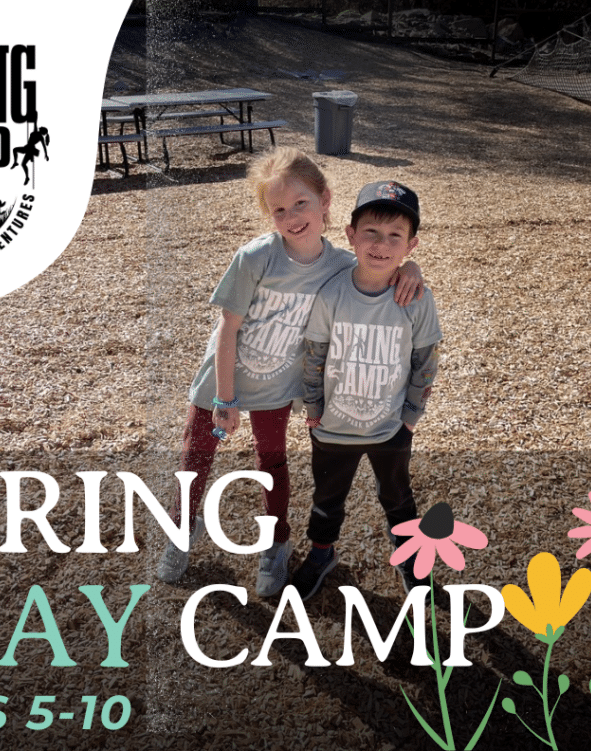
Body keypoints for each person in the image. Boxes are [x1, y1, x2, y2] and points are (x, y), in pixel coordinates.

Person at [157, 149, 424, 597]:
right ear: (270, 216)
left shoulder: (342, 265)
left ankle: (276, 545)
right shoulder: (257, 256)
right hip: (221, 382)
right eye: (279, 209)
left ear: (325, 200)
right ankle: (181, 531)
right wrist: (224, 398)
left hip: (277, 388)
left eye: (301, 203)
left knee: (272, 463)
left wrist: (411, 267)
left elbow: (383, 267)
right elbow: (228, 327)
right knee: (195, 460)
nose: (292, 216)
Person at [295, 180, 441, 601]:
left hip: (390, 426)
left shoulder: (416, 299)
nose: (381, 244)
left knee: (398, 498)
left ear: (411, 245)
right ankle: (322, 553)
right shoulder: (332, 294)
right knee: (327, 499)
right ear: (350, 235)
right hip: (333, 426)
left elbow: (425, 359)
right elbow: (315, 354)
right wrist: (313, 407)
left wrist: (411, 415)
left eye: (395, 235)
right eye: (371, 233)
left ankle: (411, 555)